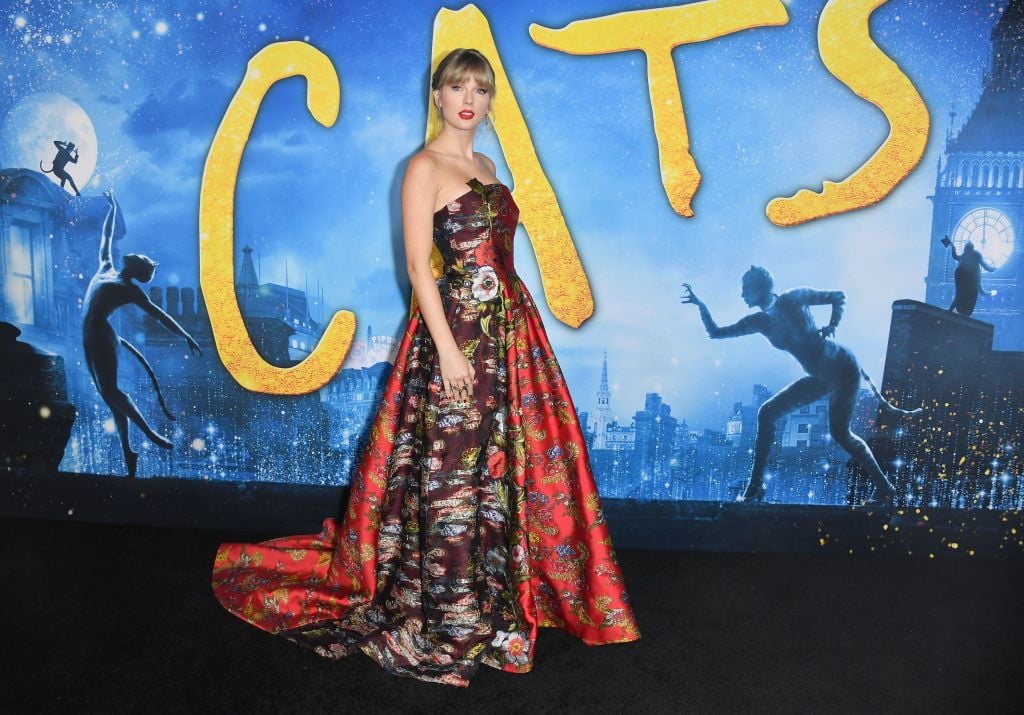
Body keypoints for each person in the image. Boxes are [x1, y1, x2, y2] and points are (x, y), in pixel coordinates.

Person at [211, 48, 640, 687]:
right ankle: (449, 611)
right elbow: (418, 266)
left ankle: (494, 594)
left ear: (489, 100)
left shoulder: (488, 167)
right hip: (456, 331)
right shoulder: (423, 167)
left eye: (480, 89)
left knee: (501, 464)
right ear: (436, 95)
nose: (469, 99)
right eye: (457, 87)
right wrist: (447, 348)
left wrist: (504, 333)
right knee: (451, 467)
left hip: (510, 334)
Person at [681, 266, 920, 507]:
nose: (742, 294)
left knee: (841, 434)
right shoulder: (759, 321)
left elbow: (838, 297)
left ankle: (885, 489)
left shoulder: (793, 298)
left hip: (842, 367)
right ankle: (754, 488)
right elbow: (716, 333)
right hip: (819, 377)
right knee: (767, 413)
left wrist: (832, 324)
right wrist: (700, 305)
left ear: (761, 287)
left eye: (746, 288)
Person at [83, 189, 202, 477]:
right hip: (90, 334)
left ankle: (149, 433)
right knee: (107, 395)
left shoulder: (129, 290)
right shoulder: (106, 266)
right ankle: (128, 450)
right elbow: (106, 236)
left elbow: (159, 315)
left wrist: (186, 335)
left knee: (112, 391)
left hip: (101, 334)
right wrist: (113, 207)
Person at [943, 237, 997, 317]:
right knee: (968, 294)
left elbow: (955, 256)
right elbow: (985, 266)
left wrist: (952, 247)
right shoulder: (976, 254)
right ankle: (965, 312)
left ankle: (951, 309)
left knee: (960, 293)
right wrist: (993, 269)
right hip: (971, 277)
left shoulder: (965, 255)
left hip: (961, 274)